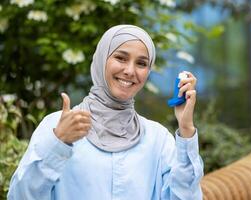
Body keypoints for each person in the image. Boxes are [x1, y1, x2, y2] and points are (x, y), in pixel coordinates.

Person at [8, 24, 203, 200]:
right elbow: (21, 196)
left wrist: (186, 129)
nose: (129, 70)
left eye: (141, 63)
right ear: (102, 60)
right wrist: (58, 143)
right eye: (120, 58)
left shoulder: (157, 139)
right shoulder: (58, 126)